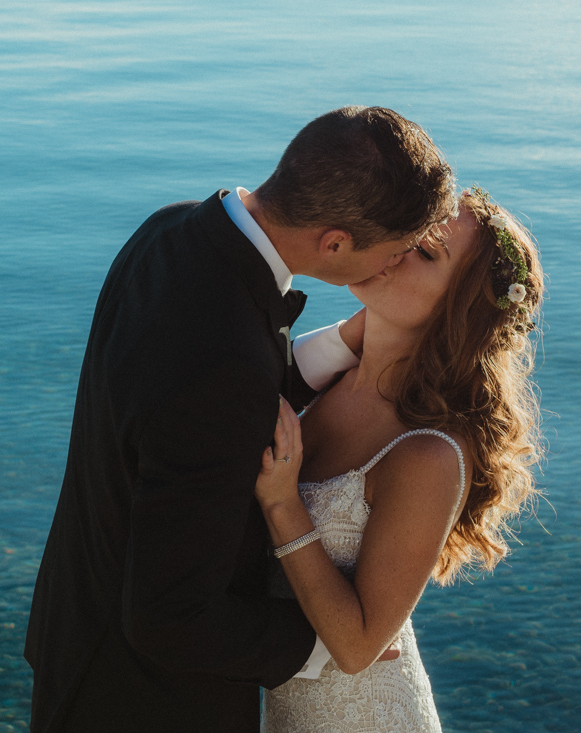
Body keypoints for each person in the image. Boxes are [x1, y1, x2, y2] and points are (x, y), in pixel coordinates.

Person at [24, 106, 457, 733]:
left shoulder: (169, 232)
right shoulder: (223, 364)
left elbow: (202, 398)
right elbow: (169, 618)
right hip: (143, 703)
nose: (391, 267)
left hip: (74, 638)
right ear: (334, 242)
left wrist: (348, 342)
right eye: (391, 254)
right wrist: (317, 648)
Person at [255, 187, 544, 732]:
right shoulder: (330, 380)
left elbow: (360, 645)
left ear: (458, 309)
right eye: (411, 234)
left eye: (426, 253)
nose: (395, 250)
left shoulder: (428, 453)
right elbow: (262, 381)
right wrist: (356, 334)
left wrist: (280, 504)